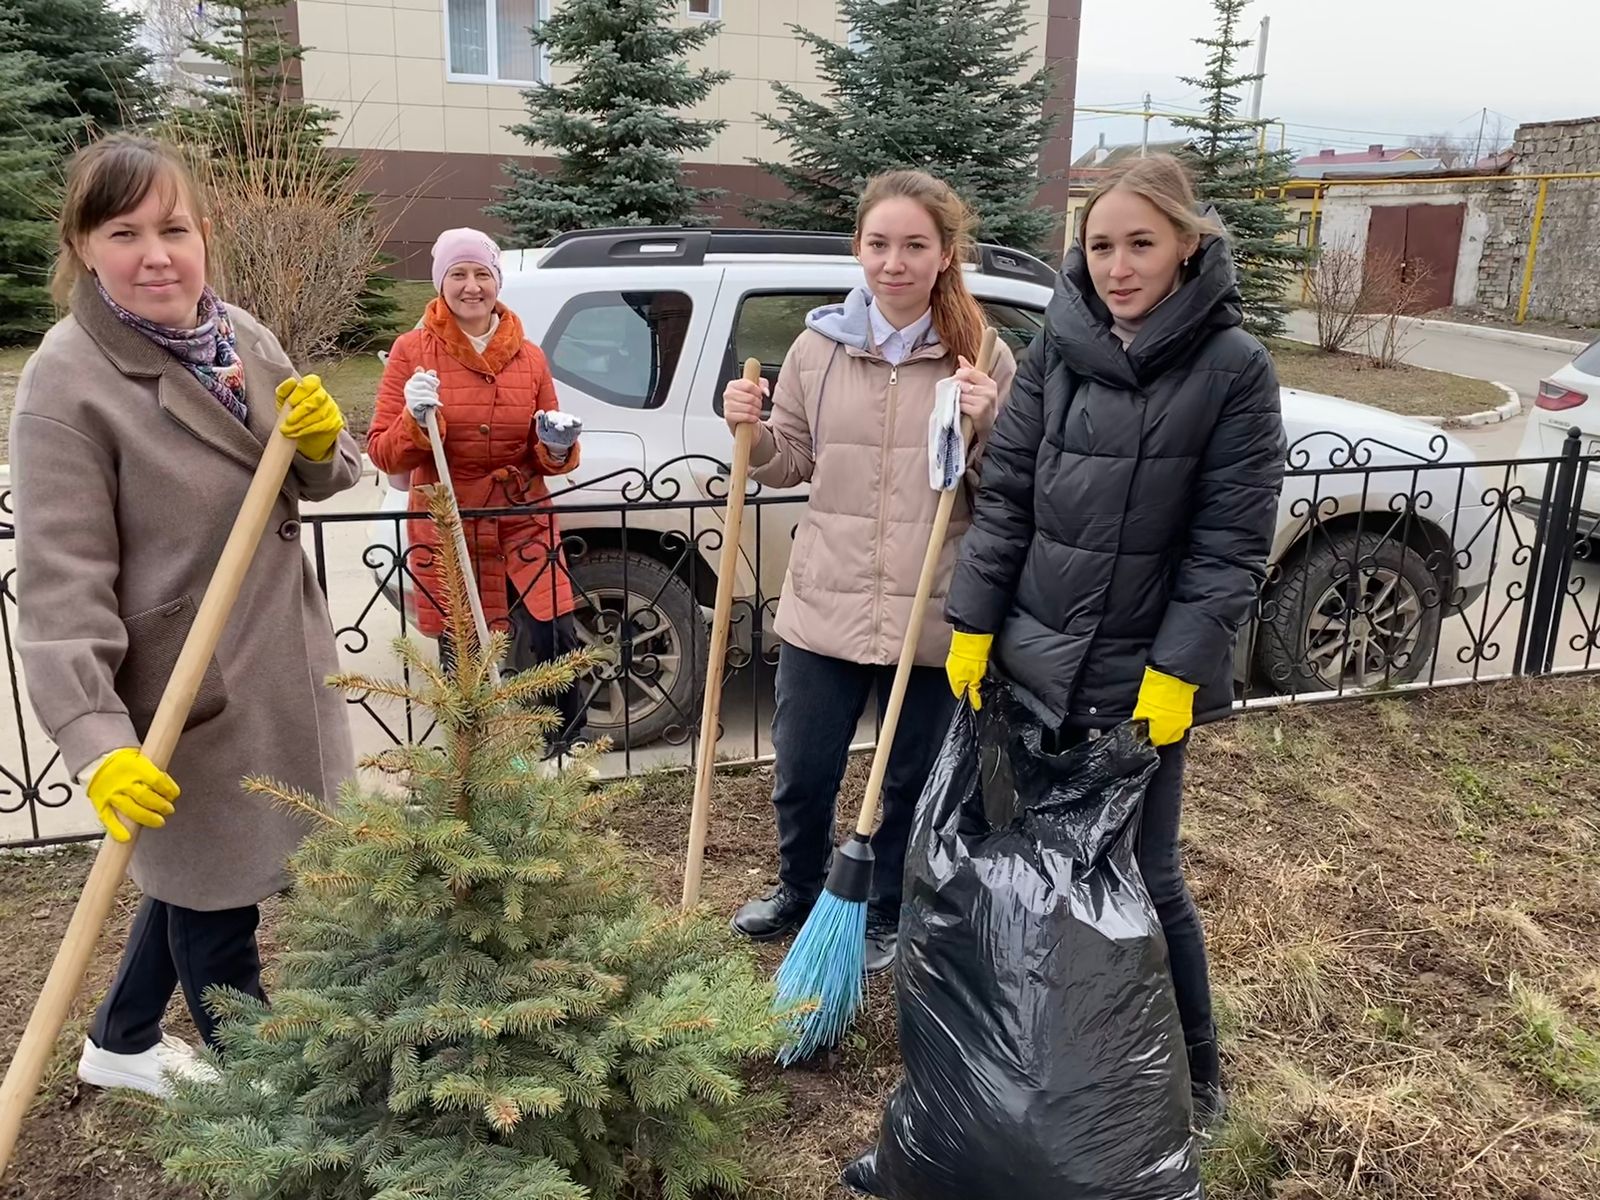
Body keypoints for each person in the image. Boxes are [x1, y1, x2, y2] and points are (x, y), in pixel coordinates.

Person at [11, 134, 363, 1096]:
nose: (155, 253)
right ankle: (264, 1100)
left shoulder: (241, 338)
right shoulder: (68, 382)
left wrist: (326, 448)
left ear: (205, 235)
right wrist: (94, 737)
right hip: (181, 694)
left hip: (280, 663)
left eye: (174, 228)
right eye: (124, 232)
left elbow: (314, 470)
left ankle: (121, 1038)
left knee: (194, 871)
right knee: (217, 895)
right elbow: (61, 584)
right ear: (84, 246)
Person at [943, 154, 1287, 1124]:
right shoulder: (1057, 348)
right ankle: (1050, 1045)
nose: (1119, 265)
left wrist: (1176, 676)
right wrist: (973, 626)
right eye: (1101, 245)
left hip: (1140, 683)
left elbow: (1227, 547)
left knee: (1145, 874)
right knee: (1029, 863)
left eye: (1141, 242)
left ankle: (1194, 1073)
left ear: (1187, 242)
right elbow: (1006, 502)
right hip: (1032, 665)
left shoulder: (1234, 371)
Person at [722, 170, 1016, 973]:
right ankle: (800, 889)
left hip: (931, 606)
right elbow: (789, 463)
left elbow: (1009, 488)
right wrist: (747, 430)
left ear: (945, 254)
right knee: (804, 765)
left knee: (911, 778)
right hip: (828, 600)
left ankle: (886, 908)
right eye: (880, 244)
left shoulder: (981, 354)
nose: (895, 262)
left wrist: (990, 425)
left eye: (915, 245)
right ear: (858, 248)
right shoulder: (817, 349)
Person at [367, 228, 586, 756]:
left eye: (482, 273)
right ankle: (475, 761)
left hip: (522, 516)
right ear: (441, 282)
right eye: (458, 274)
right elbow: (382, 451)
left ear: (497, 281)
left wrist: (555, 445)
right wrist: (416, 422)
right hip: (450, 522)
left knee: (554, 633)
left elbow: (544, 453)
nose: (471, 286)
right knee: (464, 648)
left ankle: (562, 752)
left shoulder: (529, 357)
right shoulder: (412, 351)